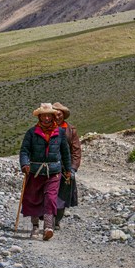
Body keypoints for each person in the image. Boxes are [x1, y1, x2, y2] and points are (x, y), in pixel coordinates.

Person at [19, 103, 71, 241]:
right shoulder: (31, 132)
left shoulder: (60, 133)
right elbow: (24, 150)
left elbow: (65, 153)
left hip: (54, 171)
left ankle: (48, 227)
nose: (46, 118)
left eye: (49, 115)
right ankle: (35, 226)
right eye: (44, 115)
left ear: (53, 116)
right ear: (40, 117)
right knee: (34, 198)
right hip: (35, 171)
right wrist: (24, 164)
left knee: (50, 197)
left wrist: (68, 170)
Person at [52, 102, 81, 229]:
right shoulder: (45, 128)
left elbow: (76, 150)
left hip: (65, 167)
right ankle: (48, 219)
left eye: (59, 114)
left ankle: (56, 220)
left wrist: (73, 168)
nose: (57, 117)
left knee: (62, 195)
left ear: (63, 115)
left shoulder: (71, 130)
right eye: (55, 114)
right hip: (50, 165)